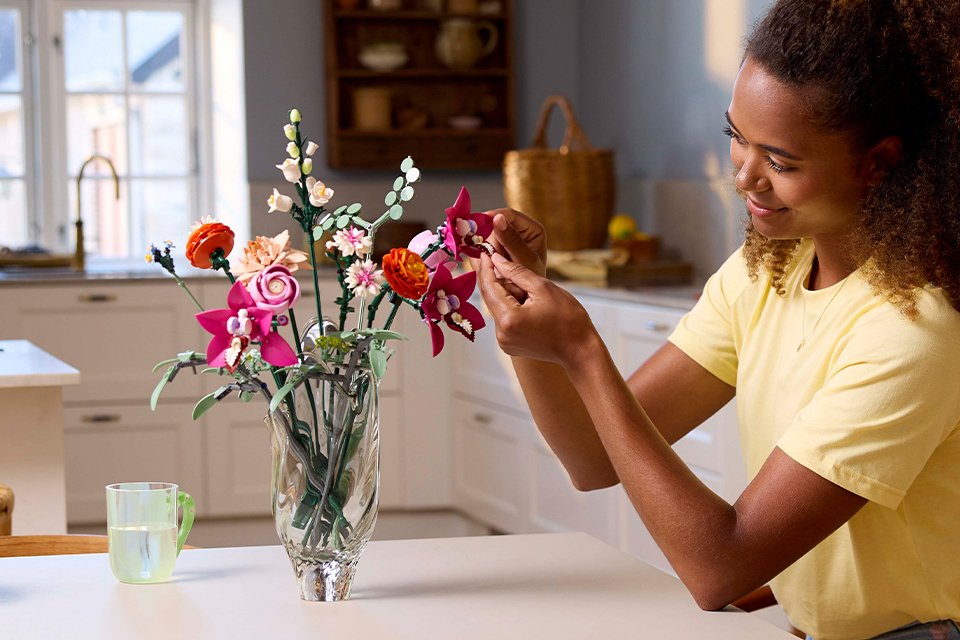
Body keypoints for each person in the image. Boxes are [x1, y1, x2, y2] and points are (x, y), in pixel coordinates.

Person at [474, 1, 960, 639]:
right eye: (737, 137)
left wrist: (583, 351)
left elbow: (717, 568)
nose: (746, 177)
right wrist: (533, 319)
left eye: (781, 163)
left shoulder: (915, 329)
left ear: (879, 161)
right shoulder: (768, 270)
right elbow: (594, 459)